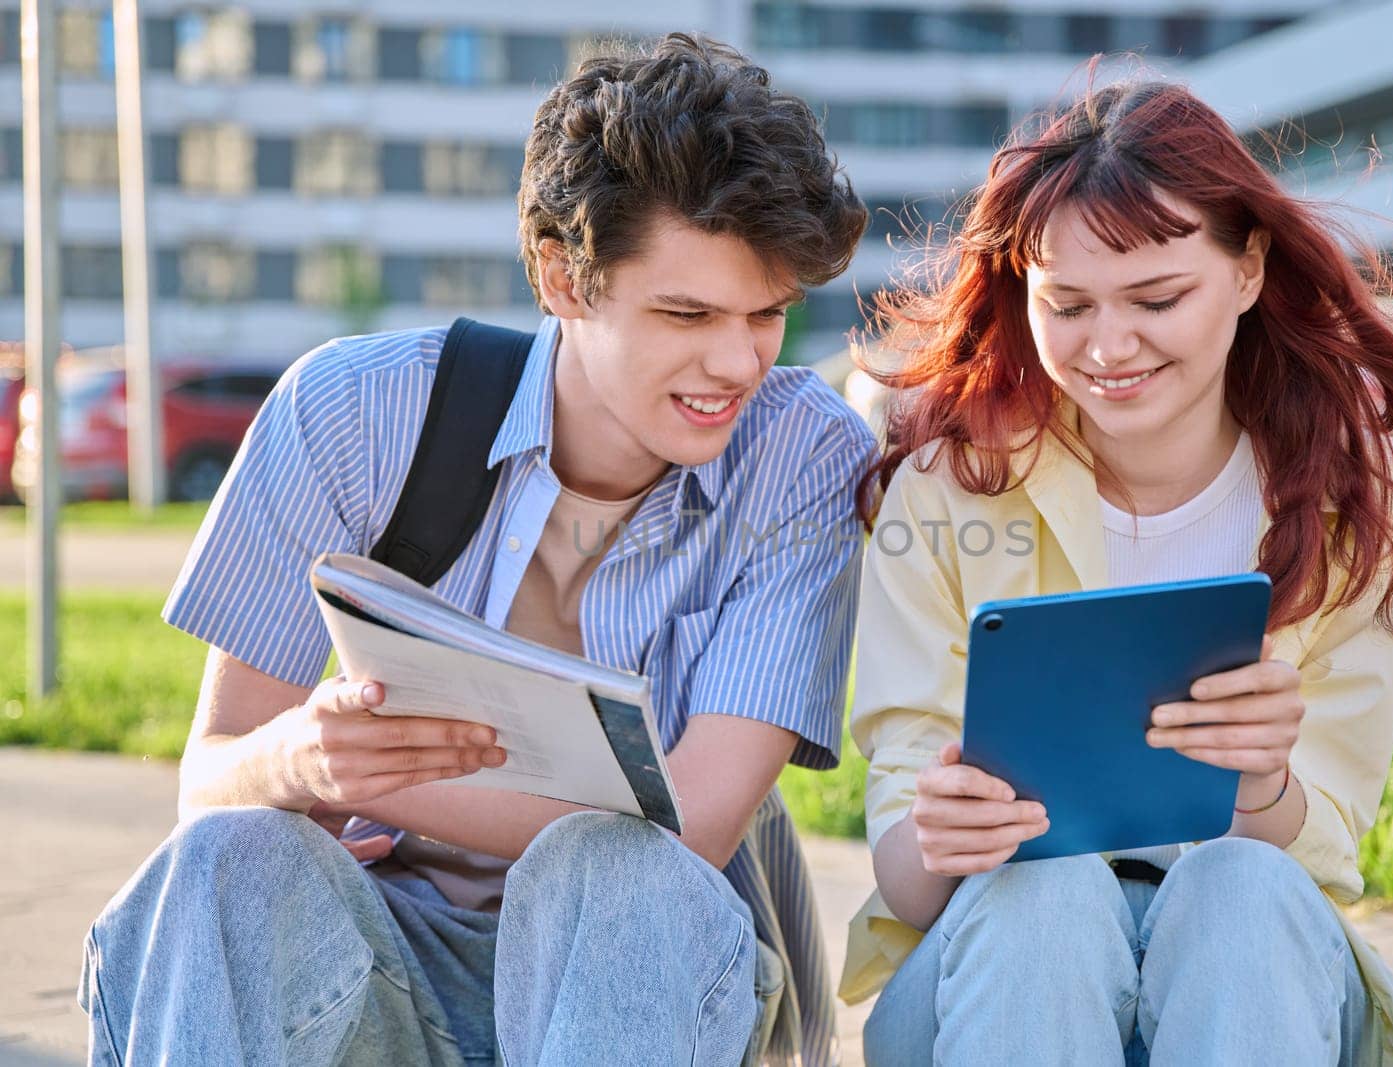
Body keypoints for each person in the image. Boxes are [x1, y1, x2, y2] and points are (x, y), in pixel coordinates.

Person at [80, 34, 874, 1067]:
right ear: (562, 277)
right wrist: (294, 756)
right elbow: (216, 775)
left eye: (767, 314)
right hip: (377, 962)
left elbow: (694, 832)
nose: (735, 362)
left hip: (642, 980)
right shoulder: (353, 410)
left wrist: (357, 780)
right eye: (685, 313)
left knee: (620, 866)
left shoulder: (801, 451)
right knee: (234, 854)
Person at [840, 73, 1393, 1066]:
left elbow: (1322, 854)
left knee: (1241, 885)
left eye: (1157, 297)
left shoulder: (1352, 502)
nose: (1108, 346)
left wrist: (1259, 778)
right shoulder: (951, 488)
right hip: (986, 977)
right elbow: (905, 876)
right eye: (1066, 304)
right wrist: (939, 834)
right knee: (1044, 884)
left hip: (1254, 972)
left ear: (1247, 270)